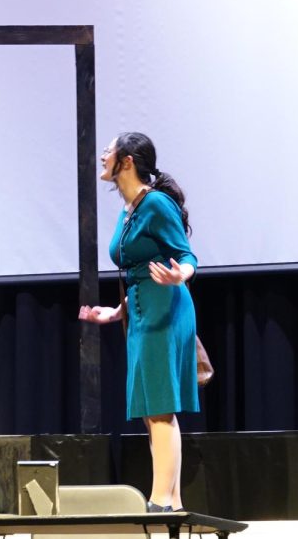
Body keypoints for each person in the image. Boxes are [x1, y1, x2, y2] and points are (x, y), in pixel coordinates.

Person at [79, 131, 199, 512]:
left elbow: (186, 254)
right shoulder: (128, 211)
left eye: (108, 151)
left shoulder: (157, 203)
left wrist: (181, 274)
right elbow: (132, 271)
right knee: (152, 411)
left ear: (126, 161)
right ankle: (173, 502)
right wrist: (116, 312)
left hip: (166, 308)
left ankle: (160, 501)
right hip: (141, 311)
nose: (102, 156)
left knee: (160, 407)